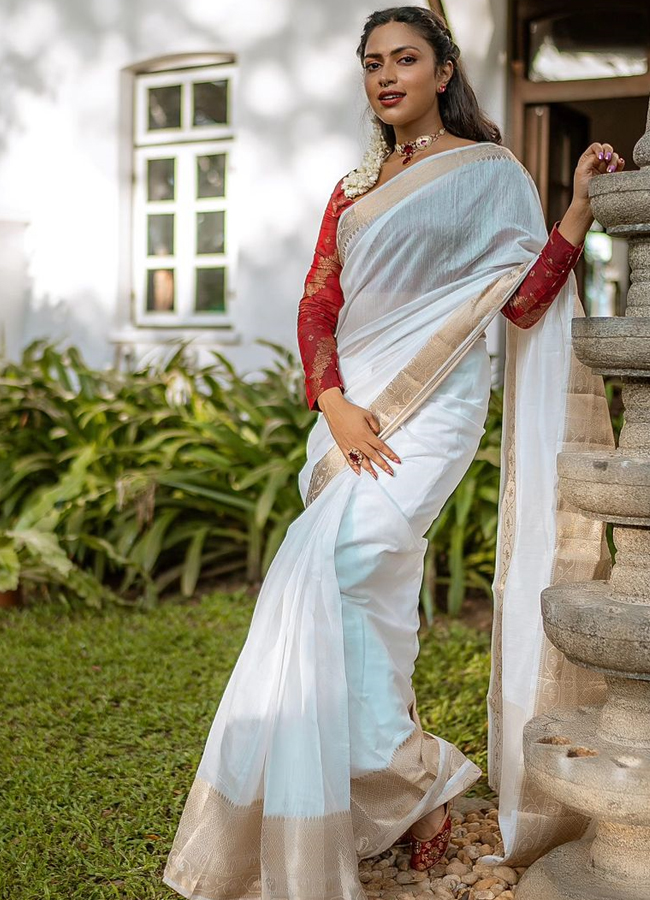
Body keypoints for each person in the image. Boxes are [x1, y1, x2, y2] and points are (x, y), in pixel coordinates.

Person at [163, 7, 622, 898]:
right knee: (366, 600)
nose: (386, 75)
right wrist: (333, 404)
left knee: (346, 566)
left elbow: (523, 304)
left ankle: (403, 778)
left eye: (404, 59)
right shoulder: (353, 187)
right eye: (373, 62)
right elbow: (317, 304)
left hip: (435, 409)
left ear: (443, 71)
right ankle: (410, 790)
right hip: (351, 415)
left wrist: (572, 211)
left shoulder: (490, 173)